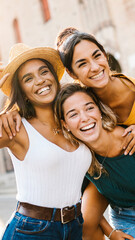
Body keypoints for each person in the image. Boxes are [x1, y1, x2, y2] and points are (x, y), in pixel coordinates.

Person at [0, 43, 92, 240]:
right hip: (31, 231)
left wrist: (109, 229)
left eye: (44, 72)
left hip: (75, 226)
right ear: (22, 91)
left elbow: (77, 185)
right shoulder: (16, 128)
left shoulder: (74, 120)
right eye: (28, 78)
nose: (40, 81)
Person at [54, 83, 135, 239]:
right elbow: (82, 211)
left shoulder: (129, 138)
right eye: (73, 114)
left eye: (89, 108)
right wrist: (111, 233)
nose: (85, 118)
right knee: (83, 224)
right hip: (124, 216)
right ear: (65, 125)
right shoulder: (79, 156)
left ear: (99, 110)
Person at [56, 28, 135, 156]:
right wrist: (12, 110)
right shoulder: (78, 97)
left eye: (97, 56)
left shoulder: (131, 89)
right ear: (71, 73)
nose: (95, 67)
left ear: (104, 55)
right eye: (82, 64)